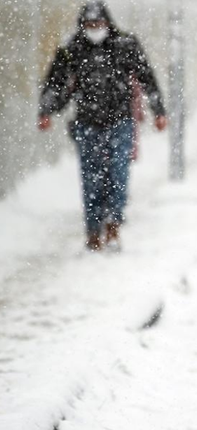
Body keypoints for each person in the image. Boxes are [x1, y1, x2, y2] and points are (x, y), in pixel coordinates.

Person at [38, 1, 167, 251]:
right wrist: (46, 110)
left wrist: (158, 110)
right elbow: (55, 82)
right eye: (90, 25)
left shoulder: (125, 44)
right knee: (91, 179)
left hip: (120, 121)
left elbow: (147, 77)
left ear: (108, 23)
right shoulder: (71, 49)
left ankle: (113, 224)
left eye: (99, 24)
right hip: (87, 123)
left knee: (118, 174)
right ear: (82, 26)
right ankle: (93, 230)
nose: (95, 29)